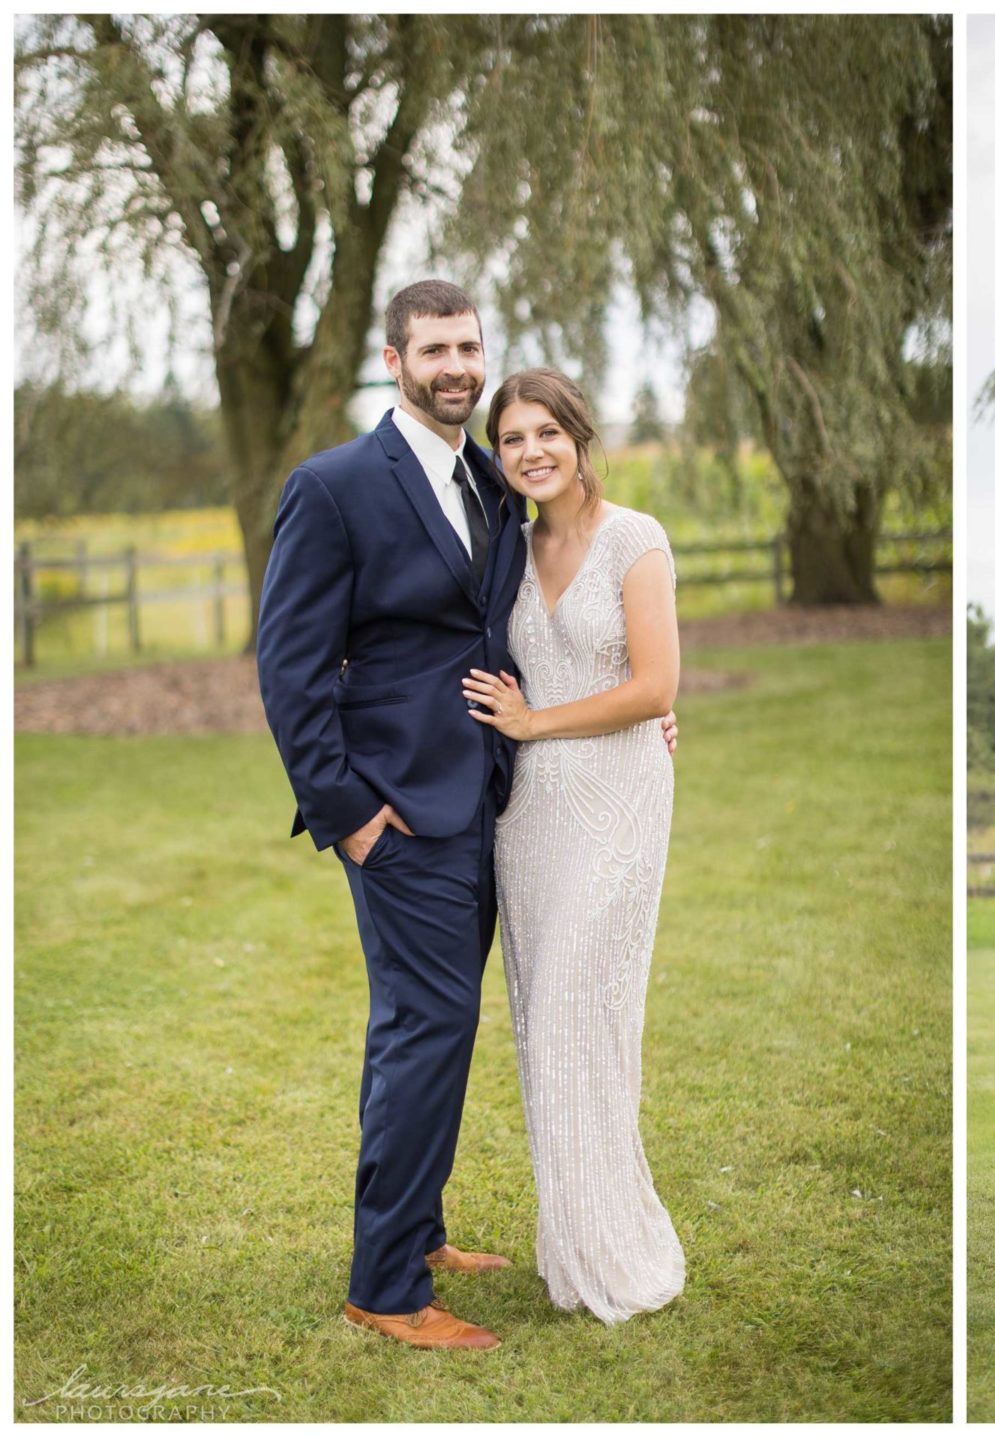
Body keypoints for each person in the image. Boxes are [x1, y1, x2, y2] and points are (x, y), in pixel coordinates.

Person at [258, 284, 674, 1350]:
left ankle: (422, 1230)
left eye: (469, 346)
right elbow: (289, 667)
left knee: (432, 1029)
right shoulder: (335, 486)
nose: (455, 363)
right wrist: (347, 811)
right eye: (433, 348)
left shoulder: (490, 483)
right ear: (392, 360)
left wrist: (634, 721)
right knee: (424, 1028)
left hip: (494, 800)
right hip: (395, 812)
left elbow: (544, 626)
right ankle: (387, 1288)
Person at [461, 369, 686, 1320]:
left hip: (619, 802)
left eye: (546, 432)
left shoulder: (635, 539)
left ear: (578, 436)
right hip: (530, 821)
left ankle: (614, 1246)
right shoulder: (503, 546)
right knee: (547, 1028)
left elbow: (655, 688)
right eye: (512, 440)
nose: (531, 453)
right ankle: (578, 1238)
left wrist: (534, 722)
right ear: (499, 457)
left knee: (579, 1007)